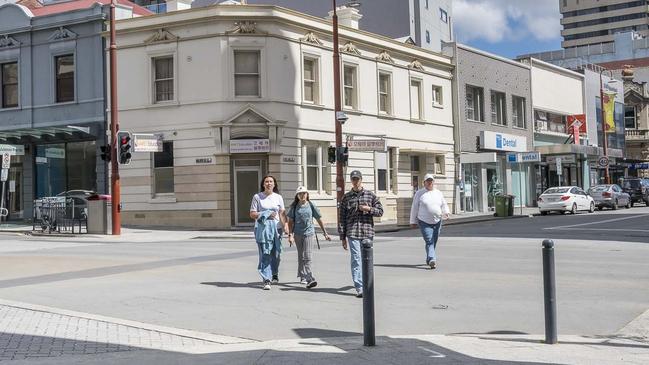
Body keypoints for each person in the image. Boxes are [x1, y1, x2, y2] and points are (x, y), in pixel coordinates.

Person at [338, 170, 383, 298]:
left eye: (357, 179)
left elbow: (380, 211)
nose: (355, 181)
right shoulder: (346, 197)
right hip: (352, 232)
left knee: (367, 260)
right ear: (351, 181)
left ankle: (367, 283)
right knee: (356, 259)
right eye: (353, 179)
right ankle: (360, 287)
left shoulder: (370, 195)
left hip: (367, 232)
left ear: (361, 180)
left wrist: (369, 209)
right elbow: (342, 218)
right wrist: (342, 237)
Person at [287, 186, 331, 288]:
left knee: (307, 256)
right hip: (298, 234)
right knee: (300, 256)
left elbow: (319, 219)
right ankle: (303, 276)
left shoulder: (311, 205)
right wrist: (290, 235)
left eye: (304, 193)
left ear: (307, 195)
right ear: (297, 196)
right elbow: (290, 223)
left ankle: (309, 278)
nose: (302, 195)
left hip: (309, 233)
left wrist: (325, 233)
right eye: (300, 194)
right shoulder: (294, 207)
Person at [250, 175, 288, 290]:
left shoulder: (278, 197)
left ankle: (274, 272)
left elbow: (282, 213)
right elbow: (252, 213)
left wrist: (286, 226)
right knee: (265, 254)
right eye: (266, 181)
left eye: (271, 181)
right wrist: (265, 214)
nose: (269, 183)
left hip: (277, 229)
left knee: (276, 254)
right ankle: (266, 279)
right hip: (262, 229)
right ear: (263, 184)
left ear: (274, 184)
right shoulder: (257, 197)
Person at [409, 173, 450, 269]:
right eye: (427, 181)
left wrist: (446, 212)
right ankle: (432, 258)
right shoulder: (419, 193)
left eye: (431, 181)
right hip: (424, 221)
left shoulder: (438, 193)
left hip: (437, 220)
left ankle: (429, 258)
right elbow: (414, 207)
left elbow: (444, 204)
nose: (429, 183)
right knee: (429, 240)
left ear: (433, 182)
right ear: (424, 183)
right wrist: (412, 221)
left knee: (433, 241)